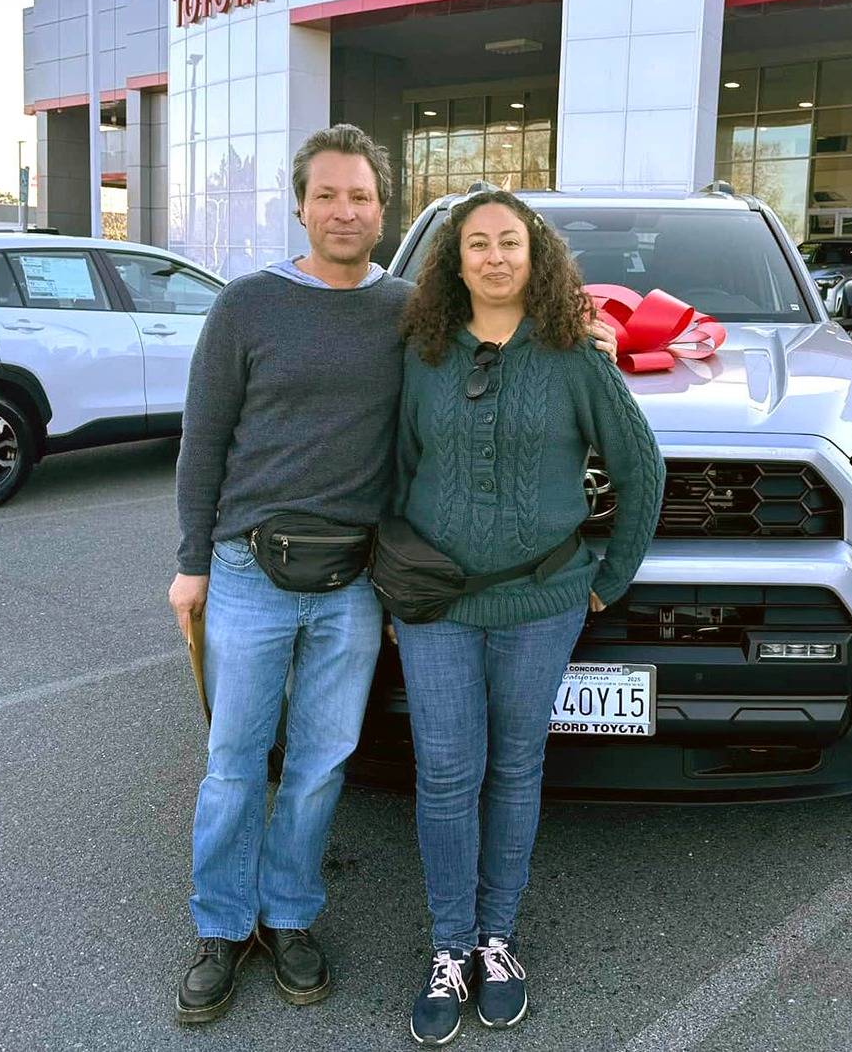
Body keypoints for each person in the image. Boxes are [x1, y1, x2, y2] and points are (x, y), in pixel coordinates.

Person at [167, 130, 617, 1024]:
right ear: (301, 205)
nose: (344, 212)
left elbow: (509, 328)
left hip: (358, 576)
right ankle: (221, 927)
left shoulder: (412, 312)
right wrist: (191, 563)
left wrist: (589, 335)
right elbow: (203, 438)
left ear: (385, 210)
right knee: (234, 761)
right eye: (327, 195)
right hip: (248, 565)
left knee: (320, 762)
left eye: (361, 197)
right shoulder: (248, 305)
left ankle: (288, 917)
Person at [392, 191, 665, 1046]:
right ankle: (450, 946)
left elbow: (641, 467)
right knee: (445, 774)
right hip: (437, 606)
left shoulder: (573, 355)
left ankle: (497, 939)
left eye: (510, 242)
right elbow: (395, 473)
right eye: (477, 243)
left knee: (514, 767)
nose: (495, 257)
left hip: (542, 603)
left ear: (535, 256)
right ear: (455, 260)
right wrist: (390, 584)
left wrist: (610, 577)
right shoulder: (421, 353)